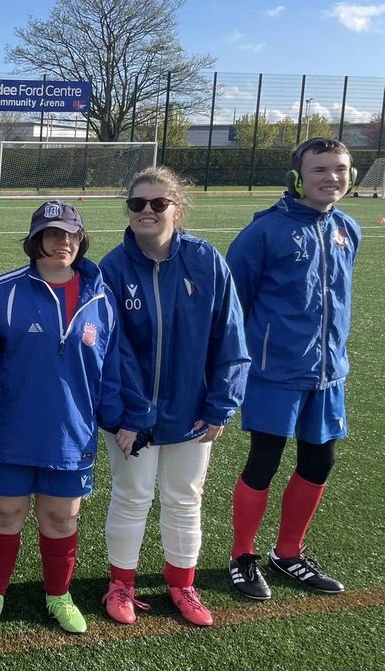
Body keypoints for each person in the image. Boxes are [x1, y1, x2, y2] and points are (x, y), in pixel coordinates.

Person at [0, 200, 121, 635]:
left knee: (62, 517)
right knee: (5, 512)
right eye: (52, 234)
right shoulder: (5, 290)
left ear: (81, 240)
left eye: (70, 234)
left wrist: (125, 418)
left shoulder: (102, 298)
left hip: (71, 435)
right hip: (10, 431)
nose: (61, 242)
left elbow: (114, 367)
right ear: (35, 241)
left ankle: (58, 595)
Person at [98, 168, 249, 627]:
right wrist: (131, 413)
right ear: (127, 209)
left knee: (185, 497)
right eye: (137, 203)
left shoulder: (206, 261)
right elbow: (110, 350)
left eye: (157, 203)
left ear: (176, 209)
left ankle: (182, 583)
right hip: (129, 416)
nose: (146, 210)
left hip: (191, 410)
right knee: (132, 494)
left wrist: (221, 403)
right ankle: (120, 584)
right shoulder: (112, 267)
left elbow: (230, 335)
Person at [226, 138, 360, 600]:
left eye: (340, 169)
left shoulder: (348, 228)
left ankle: (288, 553)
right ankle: (243, 556)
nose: (332, 178)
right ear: (297, 177)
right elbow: (231, 305)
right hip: (273, 373)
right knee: (264, 461)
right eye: (320, 169)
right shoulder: (264, 232)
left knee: (320, 461)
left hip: (327, 375)